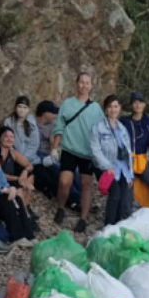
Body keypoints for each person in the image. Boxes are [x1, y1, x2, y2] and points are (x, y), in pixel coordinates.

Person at [51, 72, 105, 232]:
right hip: (69, 148)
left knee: (86, 185)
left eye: (87, 83)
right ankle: (61, 207)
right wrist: (54, 147)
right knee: (64, 181)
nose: (84, 85)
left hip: (87, 153)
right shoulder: (67, 104)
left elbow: (102, 131)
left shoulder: (96, 108)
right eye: (81, 82)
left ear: (91, 85)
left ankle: (83, 218)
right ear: (77, 84)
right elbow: (59, 127)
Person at [91, 95, 134, 226]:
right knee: (115, 193)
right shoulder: (98, 127)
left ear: (119, 108)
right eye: (110, 107)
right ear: (105, 109)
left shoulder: (122, 128)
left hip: (122, 168)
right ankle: (108, 225)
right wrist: (106, 166)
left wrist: (130, 174)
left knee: (124, 197)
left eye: (115, 106)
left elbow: (128, 152)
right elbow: (95, 150)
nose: (113, 110)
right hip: (105, 167)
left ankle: (118, 227)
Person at [120, 91, 149, 210]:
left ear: (144, 105)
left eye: (140, 102)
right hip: (126, 160)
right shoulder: (124, 121)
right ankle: (125, 216)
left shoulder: (148, 123)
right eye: (135, 102)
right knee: (127, 185)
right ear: (131, 105)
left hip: (141, 160)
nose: (137, 105)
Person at [0, 126, 36, 208]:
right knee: (20, 186)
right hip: (0, 181)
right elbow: (0, 175)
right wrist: (19, 179)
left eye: (12, 137)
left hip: (12, 179)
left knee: (30, 174)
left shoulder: (13, 153)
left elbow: (29, 165)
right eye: (6, 136)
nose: (9, 139)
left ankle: (26, 207)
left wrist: (25, 172)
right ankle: (23, 211)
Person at [3, 96, 40, 163]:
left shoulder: (32, 124)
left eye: (25, 107)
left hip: (30, 159)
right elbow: (7, 142)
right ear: (15, 108)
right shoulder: (8, 122)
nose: (22, 110)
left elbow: (34, 144)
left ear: (28, 109)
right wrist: (17, 157)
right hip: (13, 158)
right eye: (19, 107)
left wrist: (24, 158)